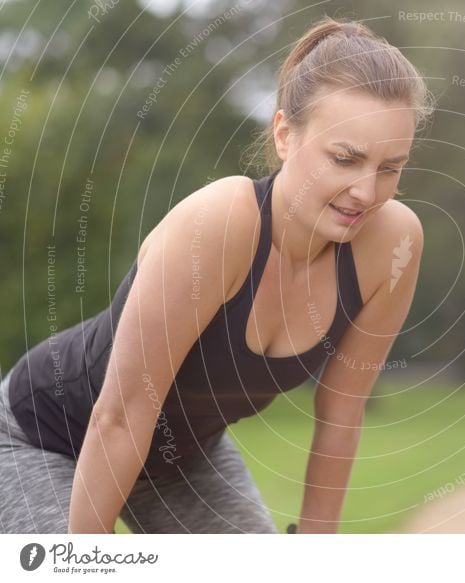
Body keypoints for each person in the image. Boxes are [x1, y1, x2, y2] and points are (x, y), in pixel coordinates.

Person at [0, 15, 433, 534]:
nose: (366, 191)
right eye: (344, 158)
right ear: (284, 135)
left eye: (390, 168)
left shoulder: (393, 244)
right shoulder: (220, 223)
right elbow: (119, 416)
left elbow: (342, 412)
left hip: (181, 457)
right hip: (46, 434)